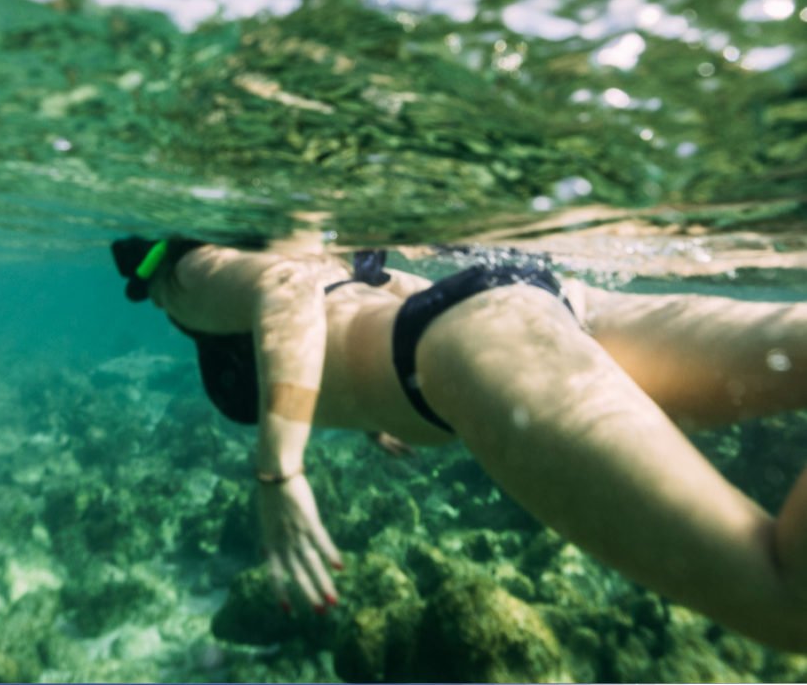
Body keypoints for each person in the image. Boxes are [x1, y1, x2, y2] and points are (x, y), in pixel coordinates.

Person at [110, 235, 807, 651]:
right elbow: (351, 305)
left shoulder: (186, 274)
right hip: (536, 306)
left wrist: (279, 470)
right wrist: (367, 411)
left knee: (787, 601)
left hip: (481, 351)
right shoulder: (304, 240)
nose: (153, 305)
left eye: (139, 286)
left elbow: (291, 291)